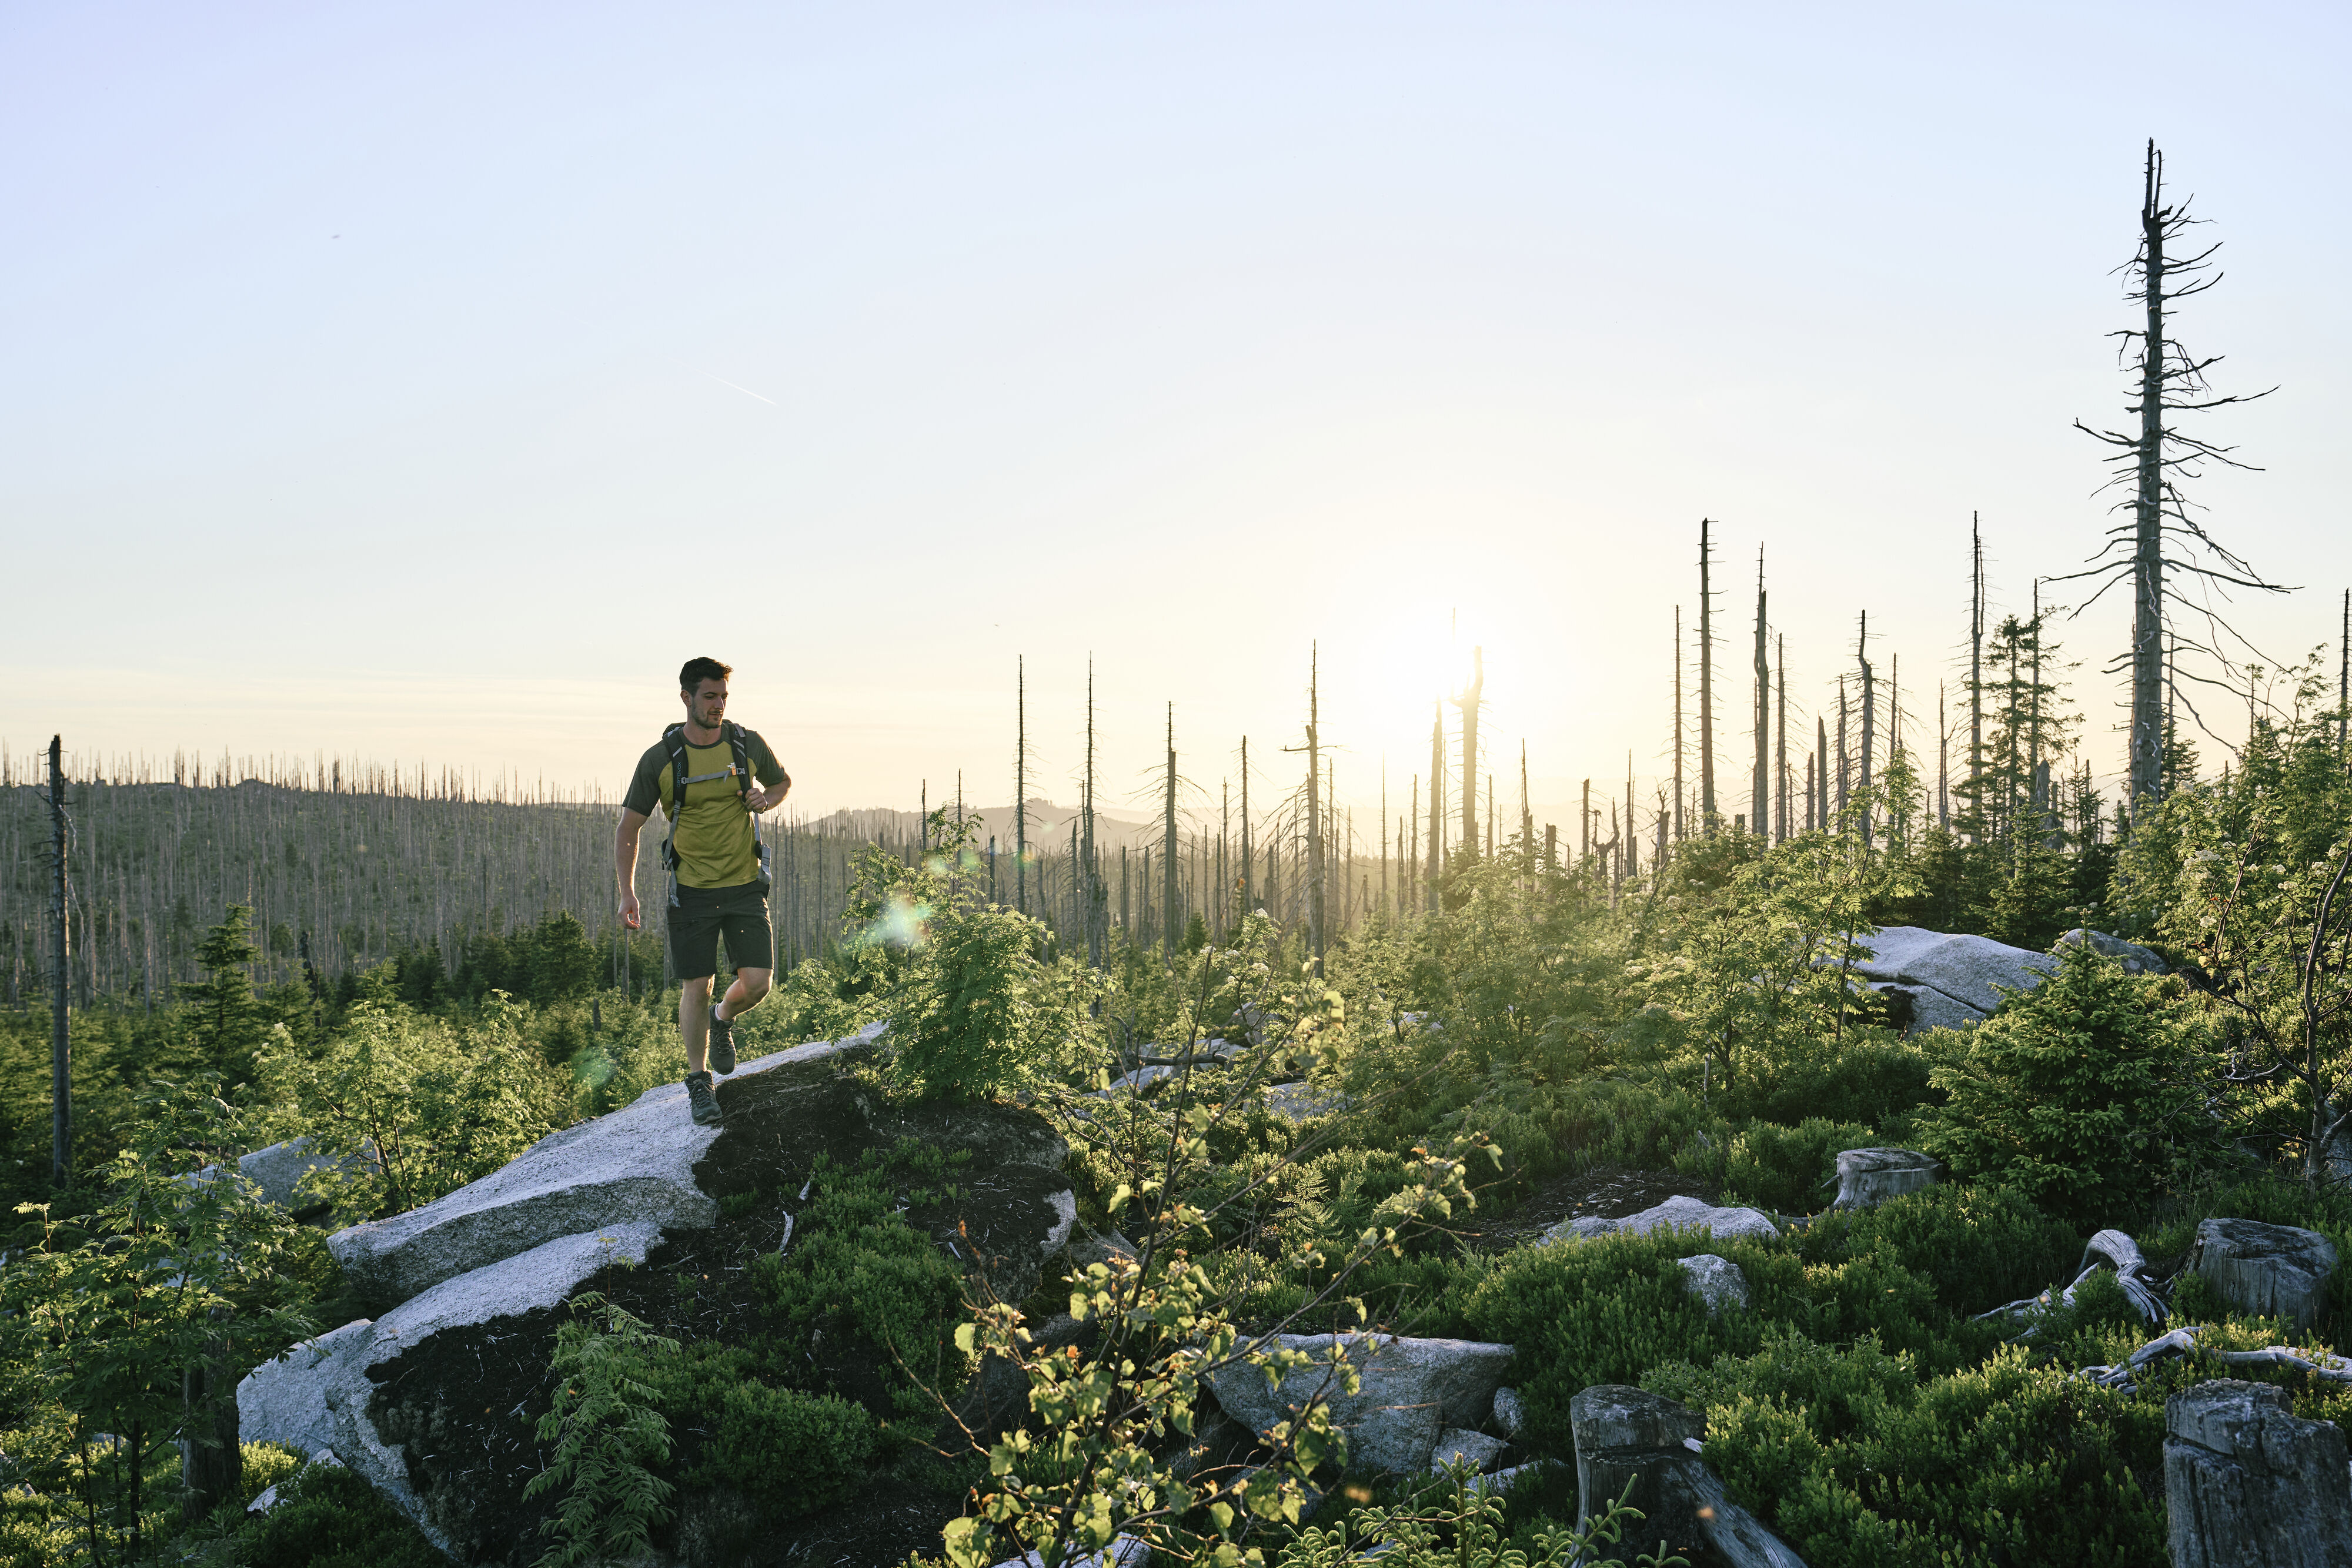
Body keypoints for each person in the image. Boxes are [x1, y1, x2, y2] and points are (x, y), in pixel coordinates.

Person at [616, 657, 790, 1126]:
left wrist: (766, 798)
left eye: (723, 697)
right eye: (709, 696)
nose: (718, 705)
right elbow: (629, 828)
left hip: (744, 884)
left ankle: (724, 1016)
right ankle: (698, 1082)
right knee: (697, 983)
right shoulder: (661, 758)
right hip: (690, 889)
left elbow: (781, 782)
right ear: (687, 698)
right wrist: (627, 892)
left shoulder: (745, 743)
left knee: (758, 982)